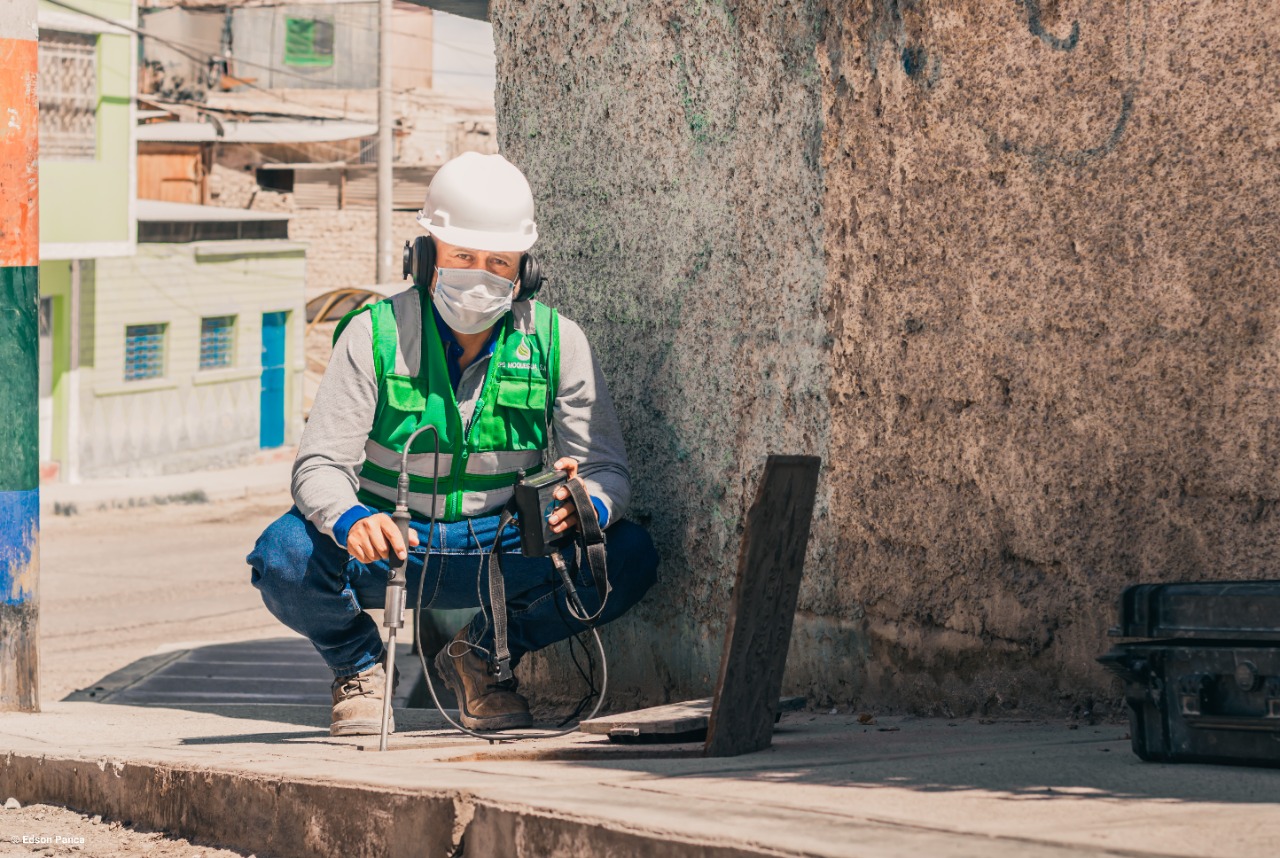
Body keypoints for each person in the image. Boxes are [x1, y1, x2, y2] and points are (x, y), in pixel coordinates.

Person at [247, 152, 658, 736]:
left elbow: (606, 467)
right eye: (463, 255)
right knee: (283, 557)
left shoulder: (558, 341)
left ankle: (484, 659)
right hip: (393, 548)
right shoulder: (373, 335)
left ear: (525, 270)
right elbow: (319, 465)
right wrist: (350, 518)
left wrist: (587, 501)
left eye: (498, 261)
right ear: (424, 258)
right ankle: (360, 667)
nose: (480, 273)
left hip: (503, 547)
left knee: (629, 555)